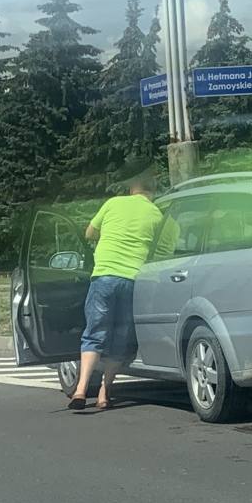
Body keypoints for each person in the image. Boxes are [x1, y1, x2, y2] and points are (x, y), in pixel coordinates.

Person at [70, 176, 164, 411]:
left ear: (132, 188)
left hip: (105, 276)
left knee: (95, 332)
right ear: (153, 191)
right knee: (120, 338)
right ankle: (105, 391)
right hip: (133, 280)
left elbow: (89, 233)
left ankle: (81, 390)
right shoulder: (157, 215)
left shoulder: (113, 203)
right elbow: (159, 249)